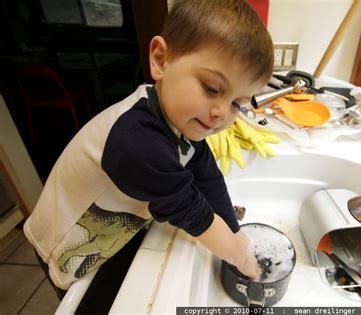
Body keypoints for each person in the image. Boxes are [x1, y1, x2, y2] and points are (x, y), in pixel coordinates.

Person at [23, 0, 274, 303]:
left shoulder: (180, 119)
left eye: (237, 103)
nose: (222, 112)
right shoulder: (136, 141)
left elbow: (207, 176)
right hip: (61, 238)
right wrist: (241, 258)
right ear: (160, 60)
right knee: (75, 293)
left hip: (109, 225)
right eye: (211, 87)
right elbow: (192, 211)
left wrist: (234, 232)